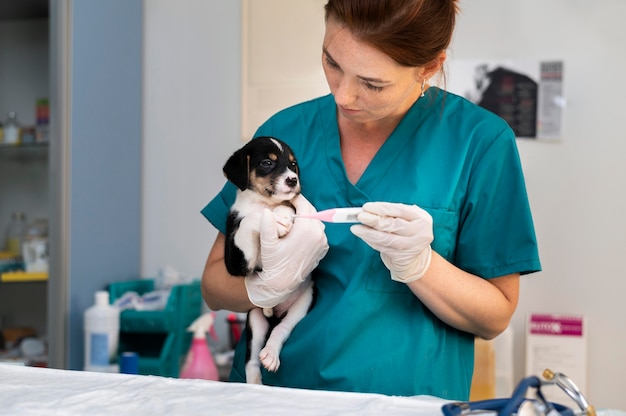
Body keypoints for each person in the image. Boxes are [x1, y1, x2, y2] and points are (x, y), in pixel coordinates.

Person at [201, 0, 541, 400]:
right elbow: (213, 284)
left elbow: (495, 316)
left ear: (429, 66)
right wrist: (267, 286)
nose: (343, 95)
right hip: (274, 398)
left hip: (407, 404)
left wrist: (422, 266)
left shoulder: (479, 143)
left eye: (372, 83)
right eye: (332, 62)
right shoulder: (284, 133)